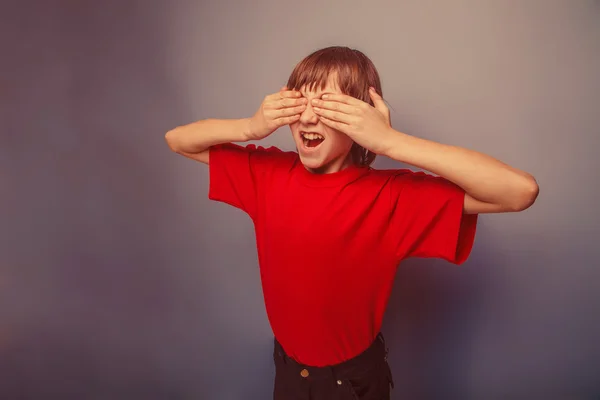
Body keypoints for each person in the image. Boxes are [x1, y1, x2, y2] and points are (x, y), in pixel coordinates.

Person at [165, 46, 539, 400]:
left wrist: (391, 142)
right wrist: (250, 126)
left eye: (329, 108)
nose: (309, 118)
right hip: (288, 375)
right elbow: (179, 140)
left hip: (352, 385)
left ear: (361, 119)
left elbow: (519, 191)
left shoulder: (392, 197)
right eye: (300, 104)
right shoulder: (268, 174)